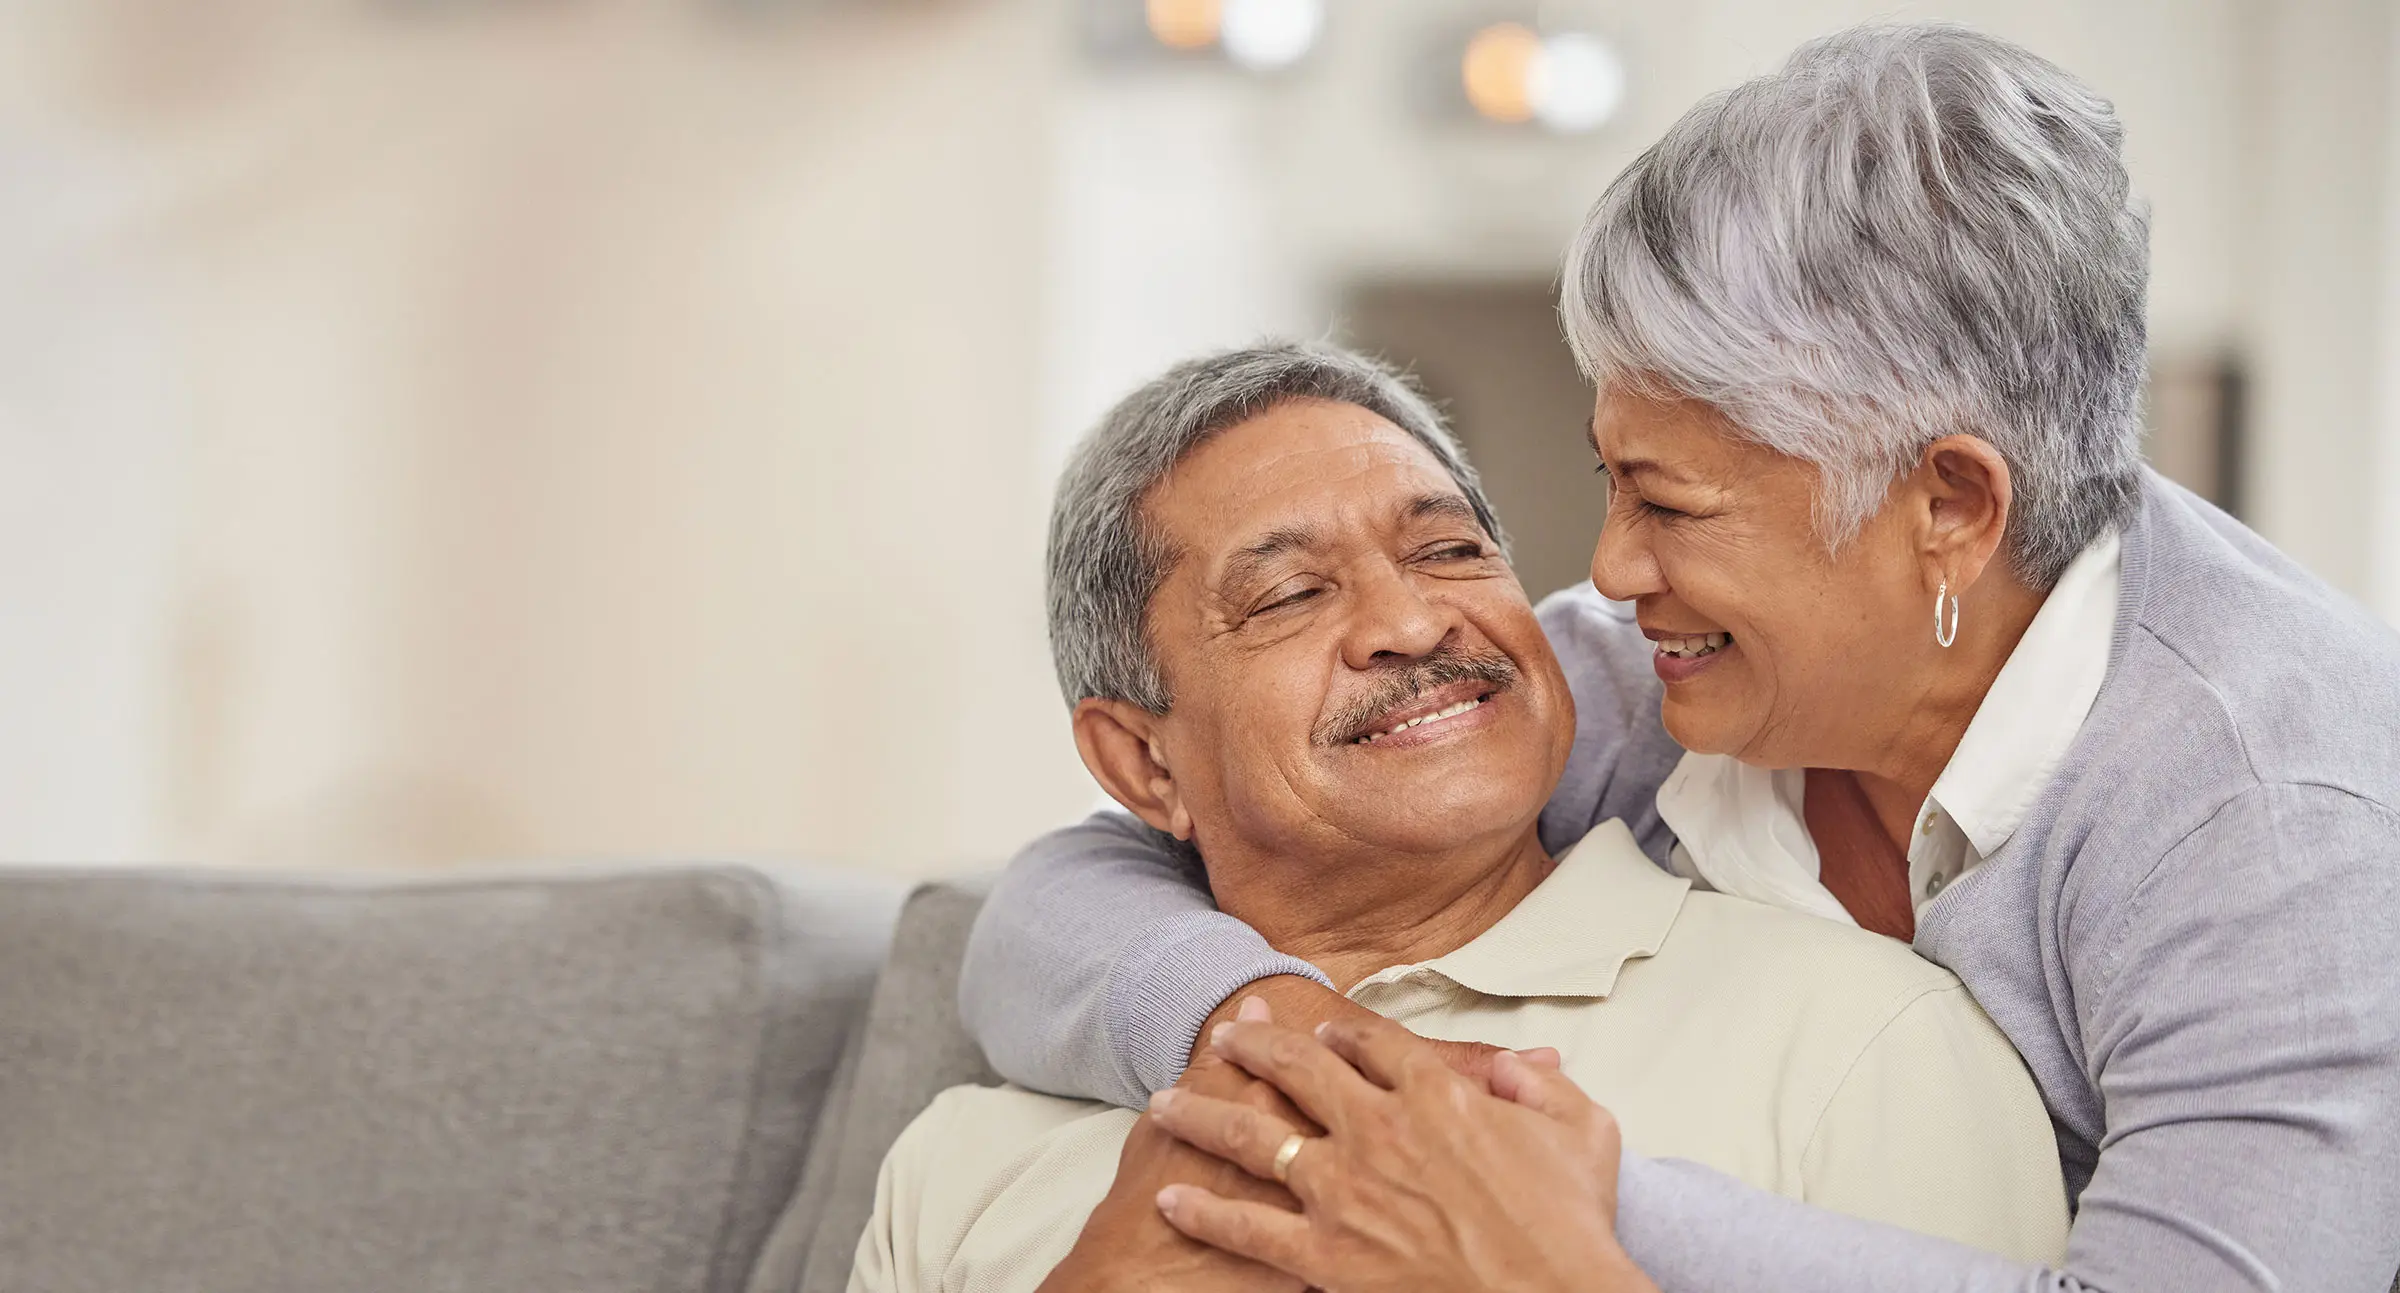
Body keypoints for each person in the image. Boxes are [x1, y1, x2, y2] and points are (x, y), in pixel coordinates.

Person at [959, 22, 2400, 1293]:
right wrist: (1262, 1026)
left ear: (1950, 507)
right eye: (1609, 480)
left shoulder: (2278, 817)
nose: (1609, 572)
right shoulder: (1657, 687)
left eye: (1670, 504)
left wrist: (1519, 1194)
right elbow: (1072, 887)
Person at [850, 344, 2067, 1293]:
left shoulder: (1860, 1040)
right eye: (1290, 595)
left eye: (1448, 550)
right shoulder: (961, 1163)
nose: (1416, 623)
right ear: (1140, 762)